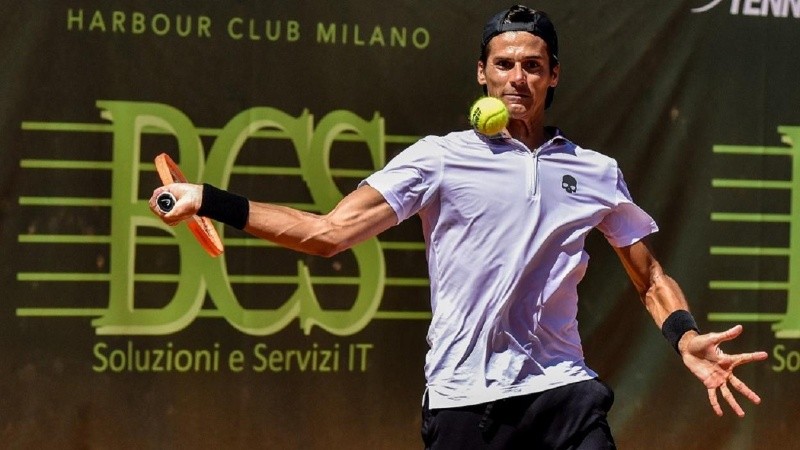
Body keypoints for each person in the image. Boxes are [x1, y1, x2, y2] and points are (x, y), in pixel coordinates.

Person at [150, 5, 768, 449]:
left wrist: (684, 336)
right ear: (482, 74)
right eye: (504, 65)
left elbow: (649, 273)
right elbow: (327, 233)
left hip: (565, 395)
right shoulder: (437, 158)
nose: (517, 79)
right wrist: (209, 198)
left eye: (533, 65)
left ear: (554, 75)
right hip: (466, 403)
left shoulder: (596, 170)